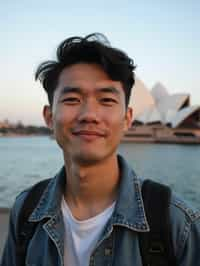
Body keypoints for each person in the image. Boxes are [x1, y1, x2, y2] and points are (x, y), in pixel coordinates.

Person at [1, 33, 200, 266]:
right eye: (72, 99)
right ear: (48, 117)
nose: (89, 116)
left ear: (127, 118)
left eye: (106, 100)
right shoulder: (25, 211)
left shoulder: (177, 223)